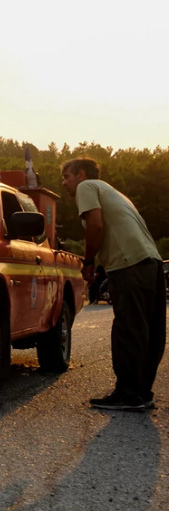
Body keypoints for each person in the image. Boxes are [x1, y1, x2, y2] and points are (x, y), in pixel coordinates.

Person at [61, 157, 166, 411]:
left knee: (128, 330)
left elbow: (95, 226)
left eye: (67, 177)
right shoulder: (115, 193)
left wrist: (87, 262)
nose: (64, 183)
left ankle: (128, 395)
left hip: (129, 265)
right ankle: (142, 393)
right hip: (151, 262)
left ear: (81, 174)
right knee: (148, 331)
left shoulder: (88, 187)